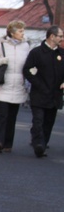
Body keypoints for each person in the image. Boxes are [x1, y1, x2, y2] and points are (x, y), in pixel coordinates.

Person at [0, 20, 30, 153]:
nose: (23, 33)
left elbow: (29, 63)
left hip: (18, 85)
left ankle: (8, 144)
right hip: (4, 84)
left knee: (12, 117)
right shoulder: (2, 45)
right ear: (12, 32)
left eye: (23, 31)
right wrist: (1, 60)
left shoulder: (26, 46)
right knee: (3, 115)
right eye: (20, 31)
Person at [22, 25, 64, 158]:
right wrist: (39, 84)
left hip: (55, 94)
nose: (62, 39)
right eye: (60, 36)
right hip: (39, 94)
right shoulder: (37, 52)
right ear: (52, 36)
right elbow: (27, 70)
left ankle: (43, 143)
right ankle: (38, 144)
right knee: (38, 121)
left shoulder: (62, 53)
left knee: (49, 122)